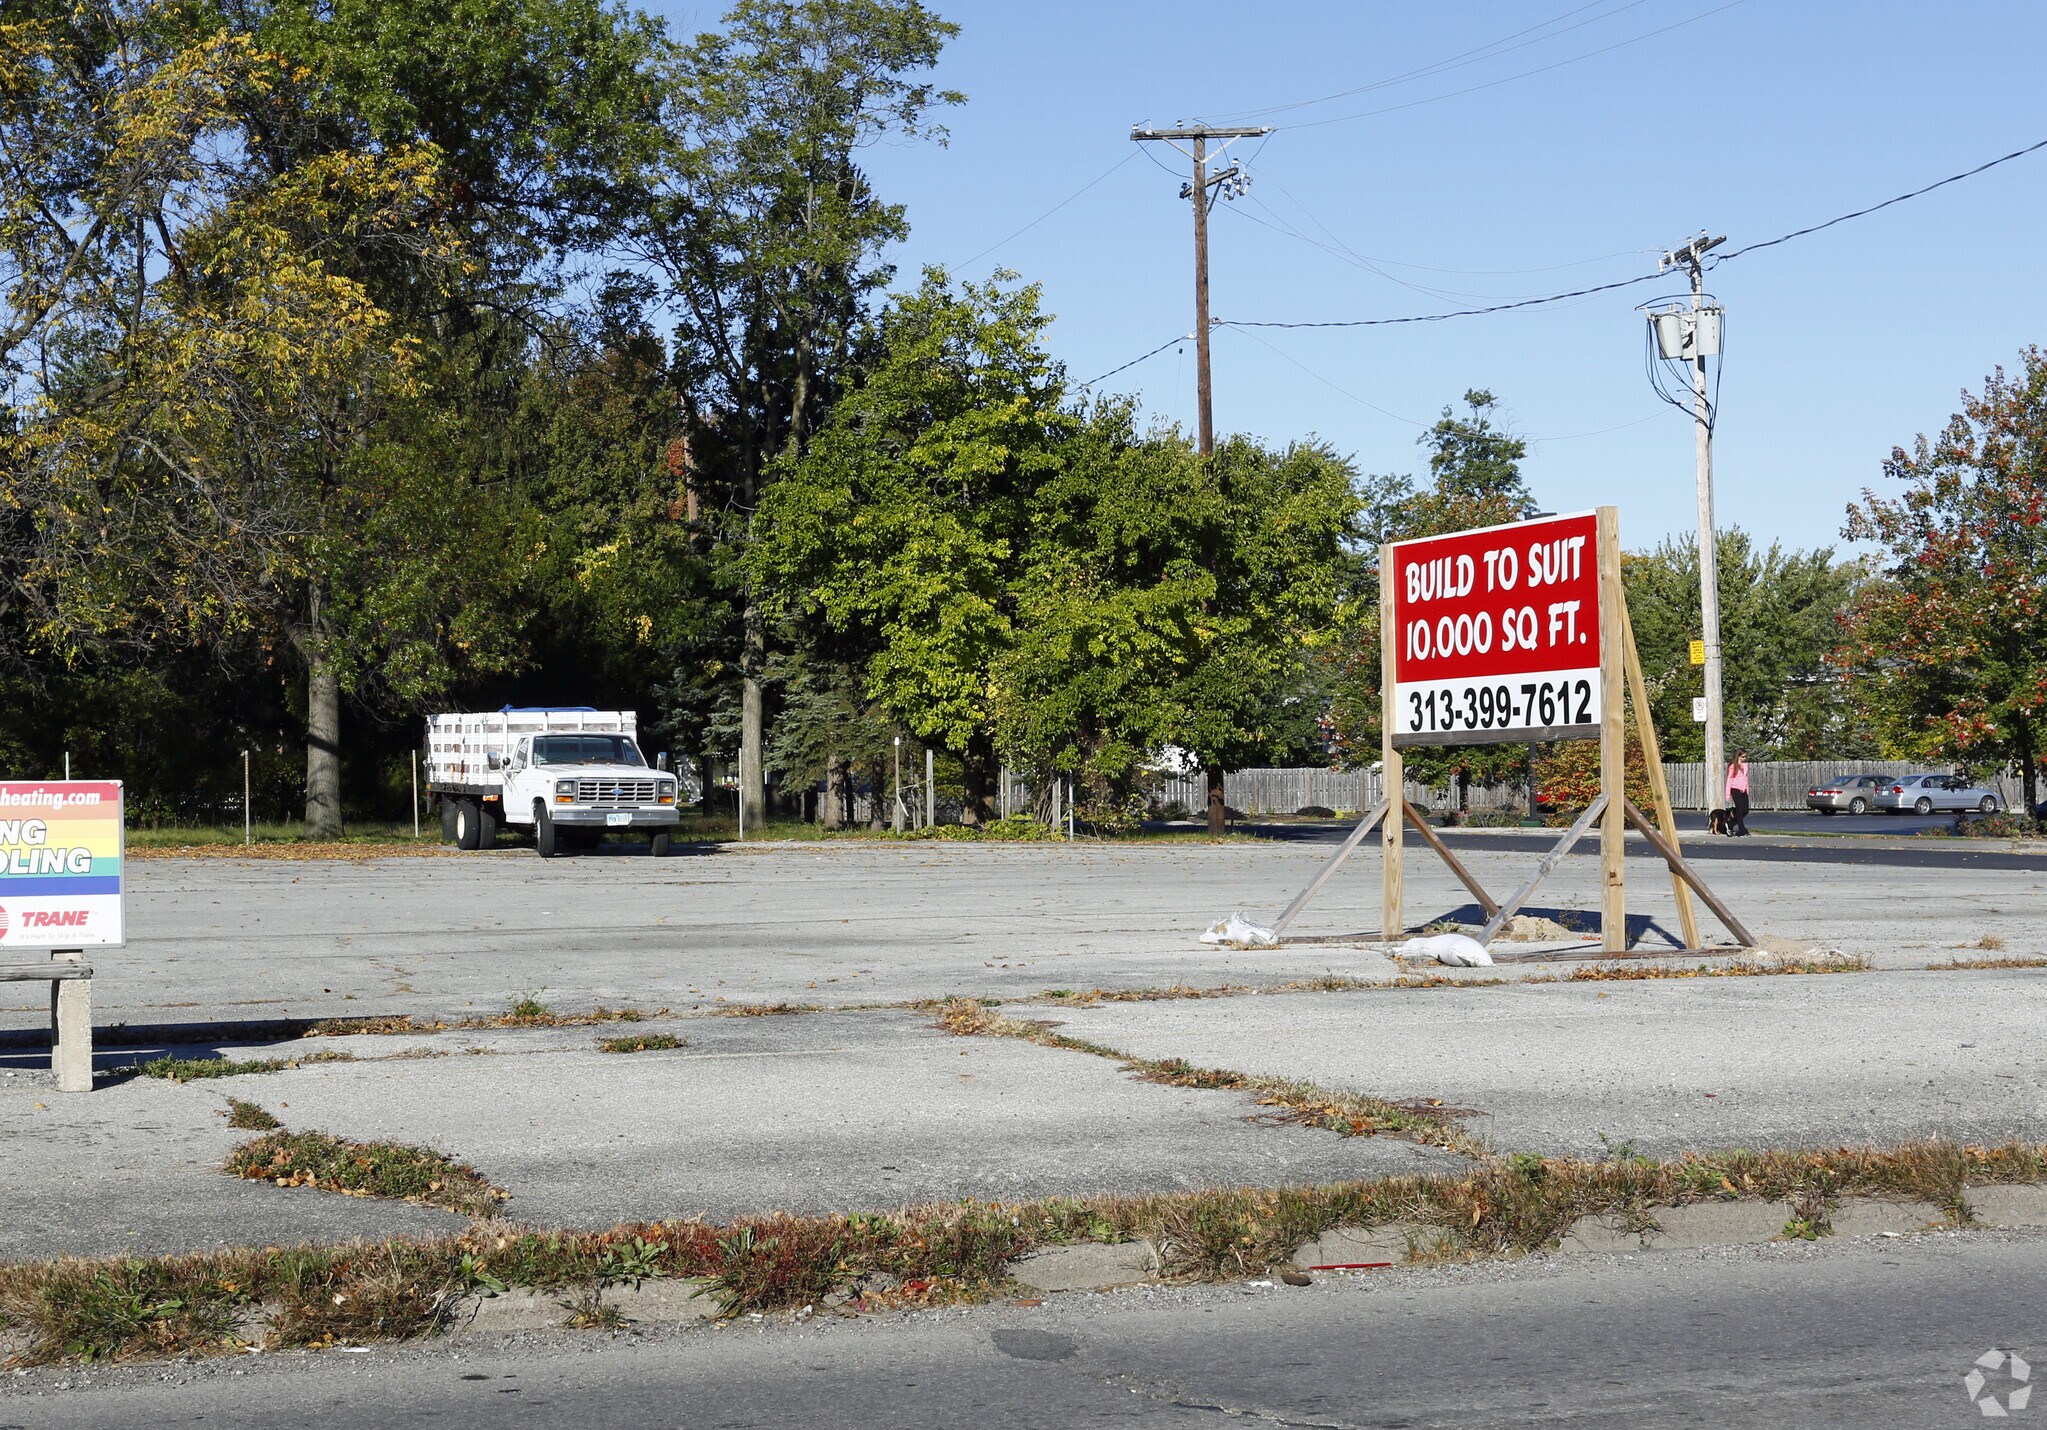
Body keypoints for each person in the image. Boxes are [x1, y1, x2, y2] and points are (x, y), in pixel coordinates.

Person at [1725, 750, 1751, 837]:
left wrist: (1747, 788)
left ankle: (1730, 823)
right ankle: (1742, 829)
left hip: (1743, 789)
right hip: (1735, 789)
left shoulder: (1745, 766)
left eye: (1745, 757)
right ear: (1738, 756)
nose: (1744, 758)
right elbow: (1729, 780)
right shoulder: (1733, 766)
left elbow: (1745, 778)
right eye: (1743, 757)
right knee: (1739, 810)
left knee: (1745, 810)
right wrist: (1727, 793)